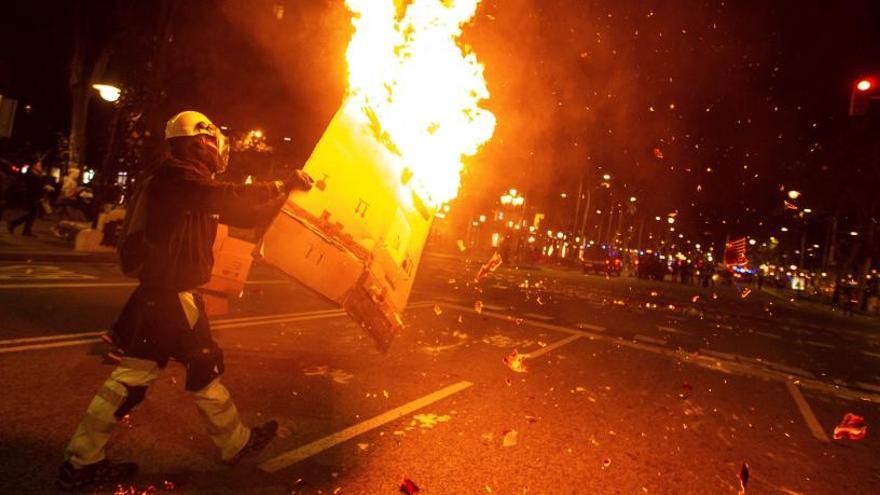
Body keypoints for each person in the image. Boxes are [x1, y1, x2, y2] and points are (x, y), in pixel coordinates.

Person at [57, 110, 314, 490]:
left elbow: (241, 214)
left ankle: (81, 460)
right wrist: (277, 183)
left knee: (136, 376)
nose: (213, 149)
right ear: (201, 141)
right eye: (209, 141)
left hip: (165, 294)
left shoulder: (186, 181)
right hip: (173, 295)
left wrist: (285, 196)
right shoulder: (177, 176)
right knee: (201, 365)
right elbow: (224, 197)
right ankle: (234, 444)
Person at [7, 161, 46, 236]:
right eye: (38, 165)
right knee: (32, 213)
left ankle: (23, 229)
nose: (40, 167)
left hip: (34, 197)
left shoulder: (37, 175)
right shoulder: (31, 175)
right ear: (34, 166)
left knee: (31, 214)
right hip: (31, 197)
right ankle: (16, 225)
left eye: (40, 165)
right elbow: (33, 187)